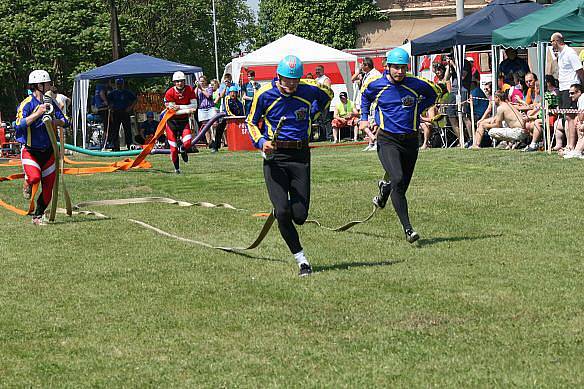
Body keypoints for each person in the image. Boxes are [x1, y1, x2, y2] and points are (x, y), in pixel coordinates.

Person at [246, 55, 333, 277]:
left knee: (300, 216)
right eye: (287, 79)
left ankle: (284, 210)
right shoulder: (264, 94)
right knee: (283, 212)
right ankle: (302, 260)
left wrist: (312, 115)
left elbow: (327, 96)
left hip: (300, 156)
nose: (291, 84)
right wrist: (262, 142)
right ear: (279, 76)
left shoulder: (309, 89)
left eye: (295, 79)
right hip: (275, 157)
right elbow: (250, 121)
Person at [359, 48, 439, 243]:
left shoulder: (416, 84)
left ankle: (384, 191)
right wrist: (363, 118)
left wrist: (418, 108)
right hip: (388, 140)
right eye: (396, 68)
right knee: (397, 177)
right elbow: (364, 97)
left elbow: (434, 94)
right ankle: (408, 229)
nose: (400, 72)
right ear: (387, 67)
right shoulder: (377, 85)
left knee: (400, 187)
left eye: (403, 68)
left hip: (411, 140)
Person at [14, 70, 69, 225]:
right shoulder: (26, 103)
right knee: (34, 177)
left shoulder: (51, 103)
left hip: (49, 152)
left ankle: (38, 216)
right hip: (31, 151)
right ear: (39, 85)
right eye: (48, 84)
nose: (51, 86)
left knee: (48, 189)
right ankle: (27, 181)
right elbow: (17, 125)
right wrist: (37, 114)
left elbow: (66, 121)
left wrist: (54, 121)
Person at [550, 32, 584, 151]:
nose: (551, 44)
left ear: (556, 41)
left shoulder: (570, 53)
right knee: (566, 116)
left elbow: (579, 70)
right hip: (563, 87)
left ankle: (571, 146)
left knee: (571, 116)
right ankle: (568, 144)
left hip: (571, 87)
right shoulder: (560, 54)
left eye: (552, 42)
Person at [164, 71, 198, 174]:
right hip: (172, 123)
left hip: (184, 122)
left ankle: (183, 149)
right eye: (177, 81)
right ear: (174, 82)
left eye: (182, 81)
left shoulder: (189, 89)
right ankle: (177, 169)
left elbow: (195, 106)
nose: (180, 83)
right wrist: (187, 109)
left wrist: (180, 107)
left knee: (188, 143)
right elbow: (174, 111)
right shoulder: (169, 92)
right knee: (173, 149)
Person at [353, 57, 381, 151]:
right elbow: (353, 79)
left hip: (374, 102)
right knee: (364, 123)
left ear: (366, 65)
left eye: (362, 64)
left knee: (375, 124)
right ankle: (371, 141)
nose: (360, 66)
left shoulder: (375, 74)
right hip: (366, 103)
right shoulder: (365, 74)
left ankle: (375, 142)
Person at [107, 78, 136, 151]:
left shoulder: (127, 92)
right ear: (116, 84)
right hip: (116, 112)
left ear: (123, 84)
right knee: (115, 130)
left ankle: (130, 145)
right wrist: (111, 110)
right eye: (118, 84)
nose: (119, 85)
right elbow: (108, 102)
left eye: (120, 84)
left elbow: (135, 99)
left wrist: (130, 107)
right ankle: (115, 146)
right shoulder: (112, 93)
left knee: (127, 129)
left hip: (125, 112)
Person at [196, 76, 217, 147]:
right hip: (202, 109)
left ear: (205, 81)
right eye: (200, 81)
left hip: (210, 108)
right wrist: (197, 88)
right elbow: (194, 97)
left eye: (203, 81)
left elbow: (208, 96)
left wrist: (201, 89)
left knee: (214, 124)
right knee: (205, 127)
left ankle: (215, 139)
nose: (201, 82)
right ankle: (209, 142)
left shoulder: (209, 88)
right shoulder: (197, 89)